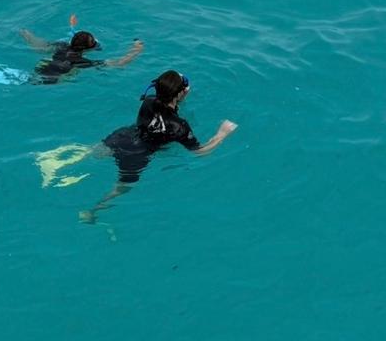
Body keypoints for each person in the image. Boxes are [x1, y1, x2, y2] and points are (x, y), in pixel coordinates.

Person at [80, 70, 238, 222]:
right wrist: (222, 134)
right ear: (180, 94)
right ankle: (93, 211)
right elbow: (200, 152)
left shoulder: (148, 101)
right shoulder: (180, 126)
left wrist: (178, 94)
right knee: (122, 187)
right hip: (137, 153)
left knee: (90, 154)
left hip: (123, 136)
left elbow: (165, 108)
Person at [19, 28, 144, 84]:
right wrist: (136, 50)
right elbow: (120, 63)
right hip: (51, 81)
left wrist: (25, 33)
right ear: (88, 49)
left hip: (38, 70)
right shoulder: (82, 62)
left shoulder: (61, 46)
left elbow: (38, 45)